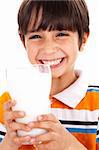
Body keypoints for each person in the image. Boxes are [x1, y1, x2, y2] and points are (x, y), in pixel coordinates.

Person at [0, 0, 99, 149]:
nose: (48, 49)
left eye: (61, 34)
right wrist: (9, 143)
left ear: (83, 39)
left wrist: (69, 146)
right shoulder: (9, 105)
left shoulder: (96, 104)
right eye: (36, 36)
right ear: (23, 41)